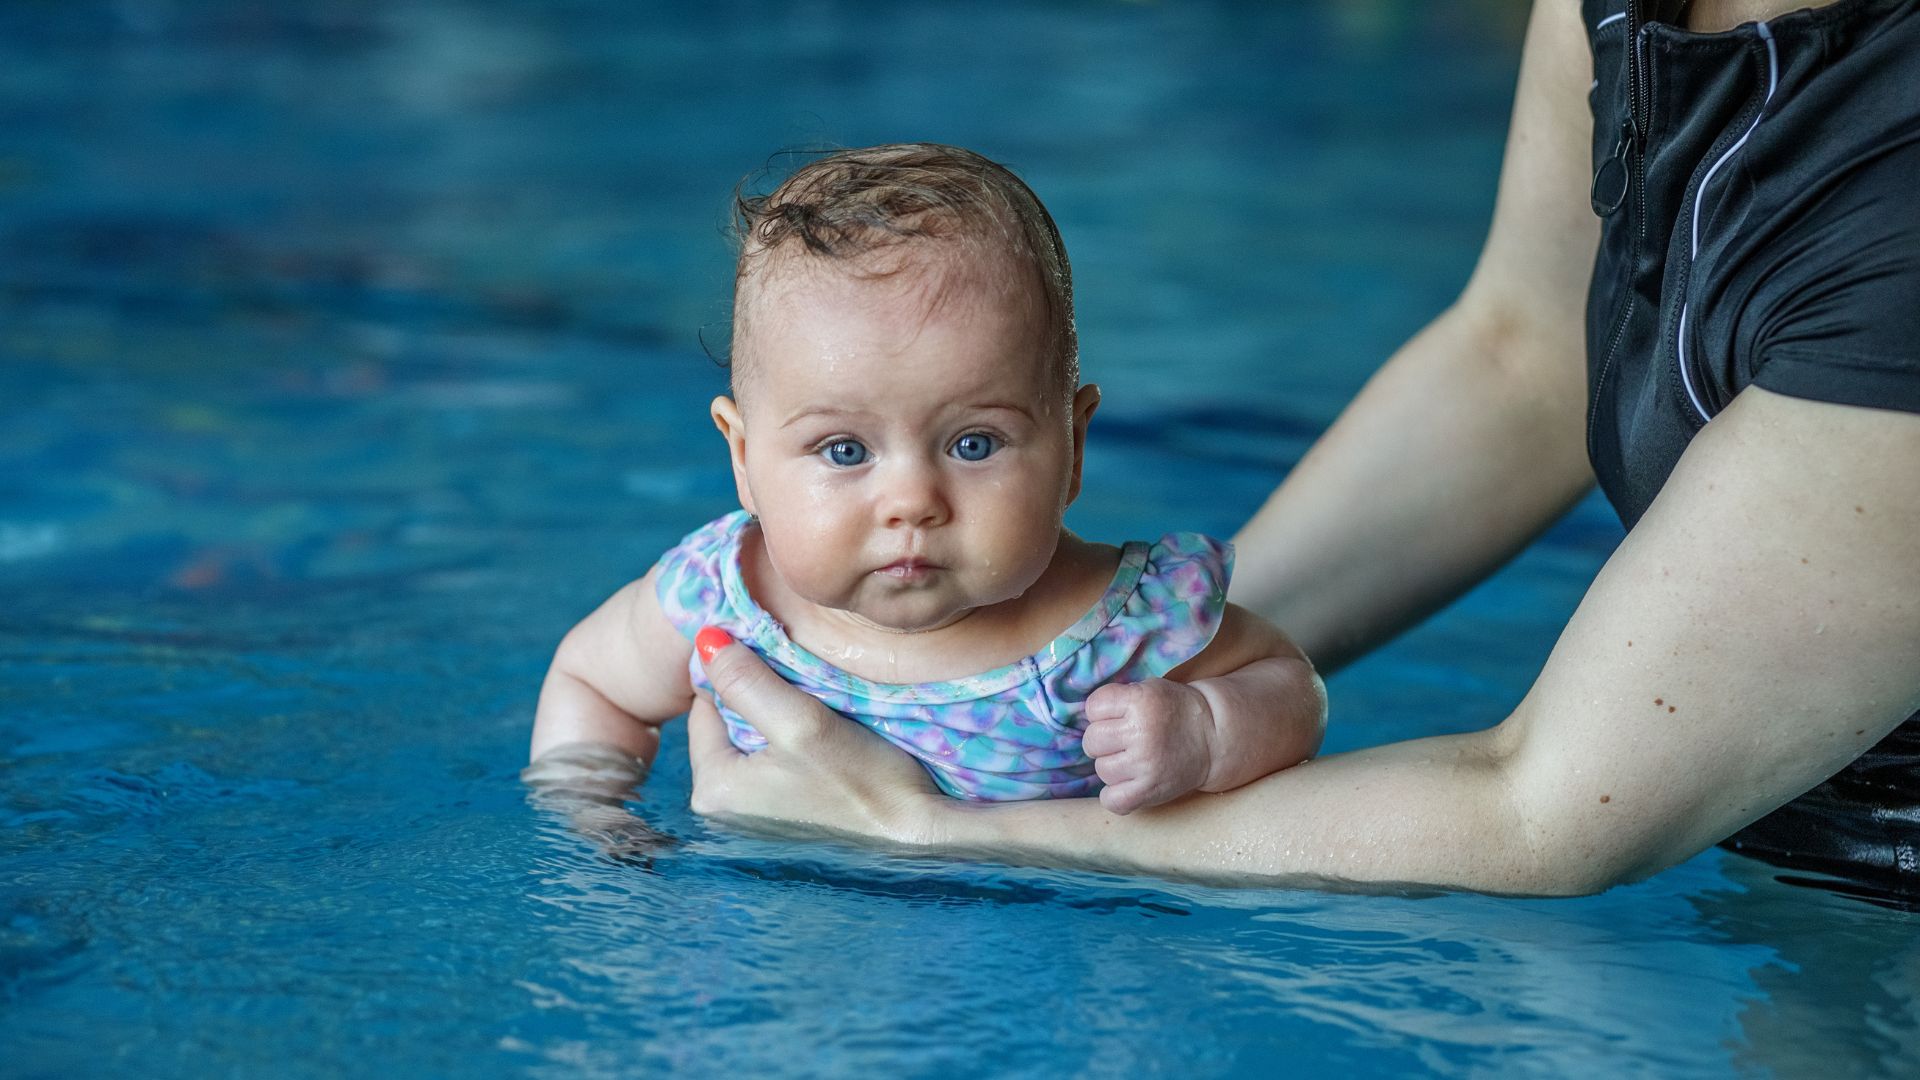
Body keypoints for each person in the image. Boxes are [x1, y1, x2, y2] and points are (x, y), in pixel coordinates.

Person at [681, 0, 1920, 902]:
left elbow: (1544, 814)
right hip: (1765, 857)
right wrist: (1152, 656)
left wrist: (927, 832)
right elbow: (1528, 355)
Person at [526, 143, 1327, 840]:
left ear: (1074, 448)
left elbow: (1292, 686)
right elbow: (592, 681)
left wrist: (1206, 730)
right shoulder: (717, 600)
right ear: (743, 458)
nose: (912, 501)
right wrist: (595, 819)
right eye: (844, 451)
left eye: (974, 444)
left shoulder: (1123, 629)